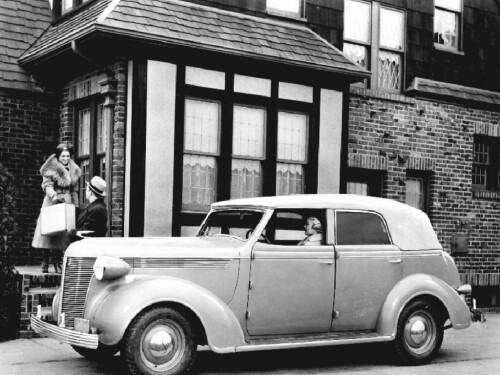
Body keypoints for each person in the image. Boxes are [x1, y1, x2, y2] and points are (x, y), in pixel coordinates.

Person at [32, 144, 81, 273]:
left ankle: (58, 261)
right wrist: (53, 195)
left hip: (66, 200)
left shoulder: (74, 170)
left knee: (62, 233)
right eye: (63, 156)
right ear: (58, 156)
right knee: (48, 232)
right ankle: (45, 261)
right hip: (52, 200)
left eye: (67, 156)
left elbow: (74, 190)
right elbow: (47, 185)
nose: (65, 158)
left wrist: (75, 205)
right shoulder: (51, 168)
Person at [70, 176, 108, 241]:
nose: (85, 191)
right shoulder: (94, 206)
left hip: (90, 248)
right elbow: (84, 215)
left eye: (87, 189)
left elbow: (86, 232)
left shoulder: (97, 210)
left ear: (90, 192)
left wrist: (71, 233)